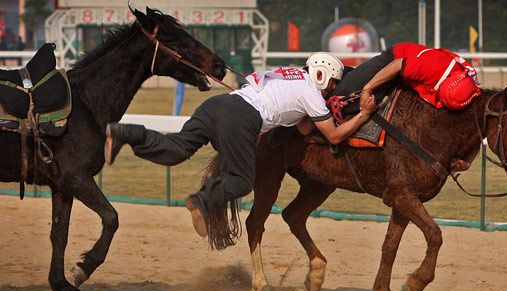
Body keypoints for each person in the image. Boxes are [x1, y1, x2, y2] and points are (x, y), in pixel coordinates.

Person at [104, 52, 377, 238]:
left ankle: (124, 132)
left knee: (175, 149)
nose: (332, 89)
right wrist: (364, 115)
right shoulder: (312, 94)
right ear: (321, 75)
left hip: (217, 105)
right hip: (241, 118)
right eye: (332, 83)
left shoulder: (290, 75)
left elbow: (303, 126)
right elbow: (334, 136)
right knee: (242, 182)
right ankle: (201, 199)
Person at [355, 42, 481, 113]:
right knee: (348, 90)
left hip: (409, 78)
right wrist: (367, 89)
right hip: (394, 59)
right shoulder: (433, 67)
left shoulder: (466, 87)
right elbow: (397, 65)